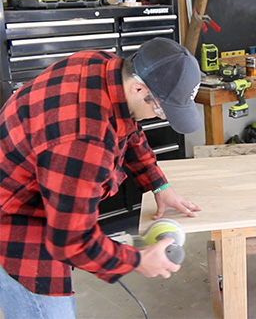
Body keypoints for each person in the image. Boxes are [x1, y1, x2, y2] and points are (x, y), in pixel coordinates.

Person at [0, 37, 204, 318]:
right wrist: (138, 259)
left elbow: (130, 129)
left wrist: (159, 184)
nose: (158, 117)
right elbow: (72, 240)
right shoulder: (84, 140)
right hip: (14, 218)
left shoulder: (105, 64)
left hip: (36, 185)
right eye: (160, 109)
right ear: (138, 88)